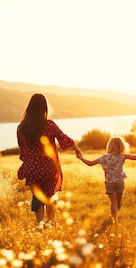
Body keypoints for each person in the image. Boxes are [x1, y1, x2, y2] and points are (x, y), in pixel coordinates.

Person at [17, 93, 82, 224]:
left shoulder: (22, 127)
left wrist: (29, 163)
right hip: (49, 167)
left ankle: (40, 224)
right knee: (51, 196)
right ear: (44, 108)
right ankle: (50, 223)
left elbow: (22, 149)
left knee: (37, 196)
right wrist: (78, 150)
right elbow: (64, 139)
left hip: (31, 168)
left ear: (29, 108)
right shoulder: (50, 125)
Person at [77, 136, 136, 220]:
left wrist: (81, 158)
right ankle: (116, 216)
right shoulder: (122, 156)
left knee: (114, 202)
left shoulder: (104, 157)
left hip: (109, 183)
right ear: (122, 146)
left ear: (109, 146)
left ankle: (114, 219)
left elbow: (90, 163)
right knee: (118, 201)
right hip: (119, 182)